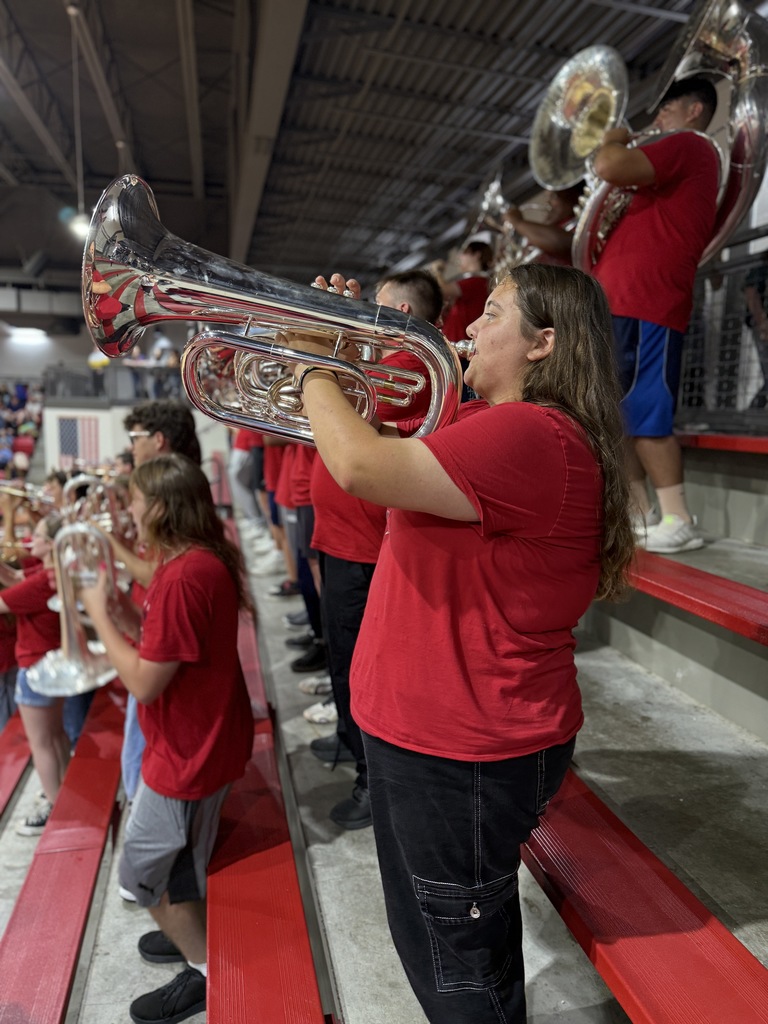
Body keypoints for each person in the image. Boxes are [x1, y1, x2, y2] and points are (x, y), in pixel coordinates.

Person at [282, 263, 635, 1023]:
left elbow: (358, 463)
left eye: (493, 315)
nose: (468, 326)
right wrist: (345, 356)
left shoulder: (532, 433)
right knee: (459, 951)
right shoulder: (488, 423)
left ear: (544, 344)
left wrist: (313, 356)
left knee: (455, 974)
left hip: (460, 750)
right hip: (443, 740)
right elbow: (374, 453)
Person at [81, 454, 254, 1024]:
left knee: (142, 875)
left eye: (134, 499)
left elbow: (144, 684)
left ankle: (203, 969)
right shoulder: (199, 560)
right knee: (184, 860)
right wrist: (120, 613)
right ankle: (191, 937)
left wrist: (97, 617)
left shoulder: (182, 577)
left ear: (158, 507)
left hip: (186, 753)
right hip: (207, 740)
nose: (129, 509)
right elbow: (166, 644)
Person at [307, 267, 442, 829]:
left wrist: (324, 348)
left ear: (402, 316)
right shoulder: (378, 365)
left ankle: (372, 781)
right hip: (345, 542)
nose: (366, 318)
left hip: (365, 550)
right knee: (342, 660)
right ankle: (348, 741)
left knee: (357, 668)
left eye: (375, 309)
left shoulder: (411, 366)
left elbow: (348, 426)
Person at [591, 76, 719, 553]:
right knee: (616, 412)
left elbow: (608, 162)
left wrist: (614, 136)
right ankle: (638, 512)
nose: (656, 120)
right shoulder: (665, 172)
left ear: (693, 111)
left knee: (647, 410)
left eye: (665, 109)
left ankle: (680, 517)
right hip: (623, 301)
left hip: (649, 303)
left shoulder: (691, 144)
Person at [0, 514, 67, 835]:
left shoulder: (44, 579)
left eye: (37, 536)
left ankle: (55, 807)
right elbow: (17, 583)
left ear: (51, 545)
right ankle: (61, 794)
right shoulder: (50, 573)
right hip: (50, 662)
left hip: (35, 665)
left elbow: (4, 602)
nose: (30, 540)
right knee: (55, 737)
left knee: (41, 743)